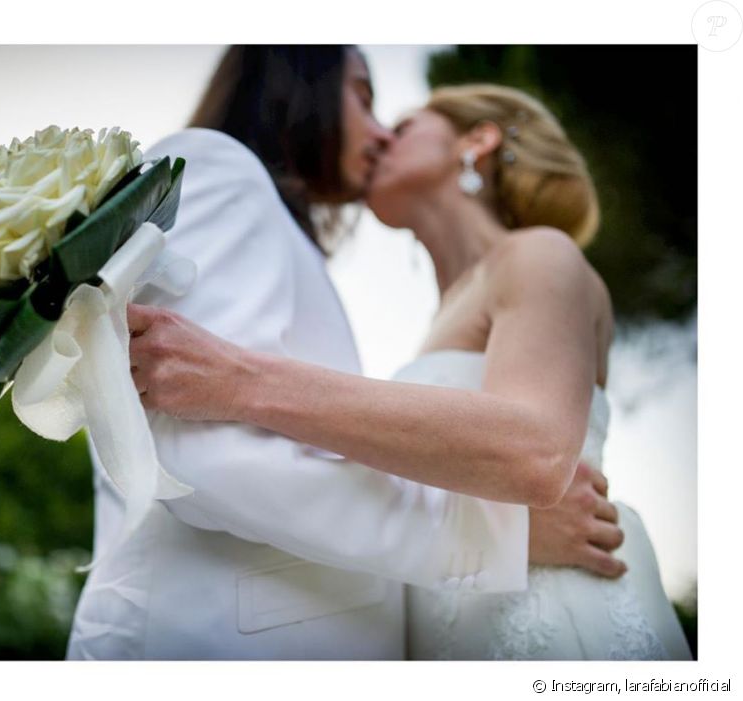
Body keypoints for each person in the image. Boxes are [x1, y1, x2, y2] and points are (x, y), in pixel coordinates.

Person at [66, 46, 623, 661]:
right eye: (365, 98)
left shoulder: (528, 261)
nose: (382, 134)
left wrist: (242, 380)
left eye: (400, 122)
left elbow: (533, 451)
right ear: (302, 83)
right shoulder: (218, 167)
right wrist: (494, 532)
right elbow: (205, 455)